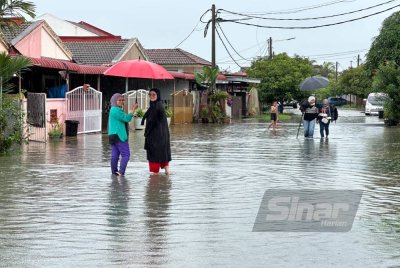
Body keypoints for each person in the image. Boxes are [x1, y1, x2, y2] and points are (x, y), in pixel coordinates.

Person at [142, 88, 172, 175]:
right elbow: (148, 114)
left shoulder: (156, 107)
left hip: (156, 137)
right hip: (162, 136)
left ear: (158, 95)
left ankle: (154, 185)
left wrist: (146, 133)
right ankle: (166, 178)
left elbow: (152, 122)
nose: (151, 96)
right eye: (150, 94)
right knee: (163, 156)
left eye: (153, 94)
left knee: (154, 161)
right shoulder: (157, 105)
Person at [108, 93, 138, 176]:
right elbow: (127, 118)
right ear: (114, 101)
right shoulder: (116, 110)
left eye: (122, 100)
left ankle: (114, 173)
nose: (121, 102)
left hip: (112, 135)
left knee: (115, 155)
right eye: (119, 100)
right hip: (119, 136)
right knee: (126, 155)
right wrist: (133, 109)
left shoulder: (113, 109)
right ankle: (121, 172)